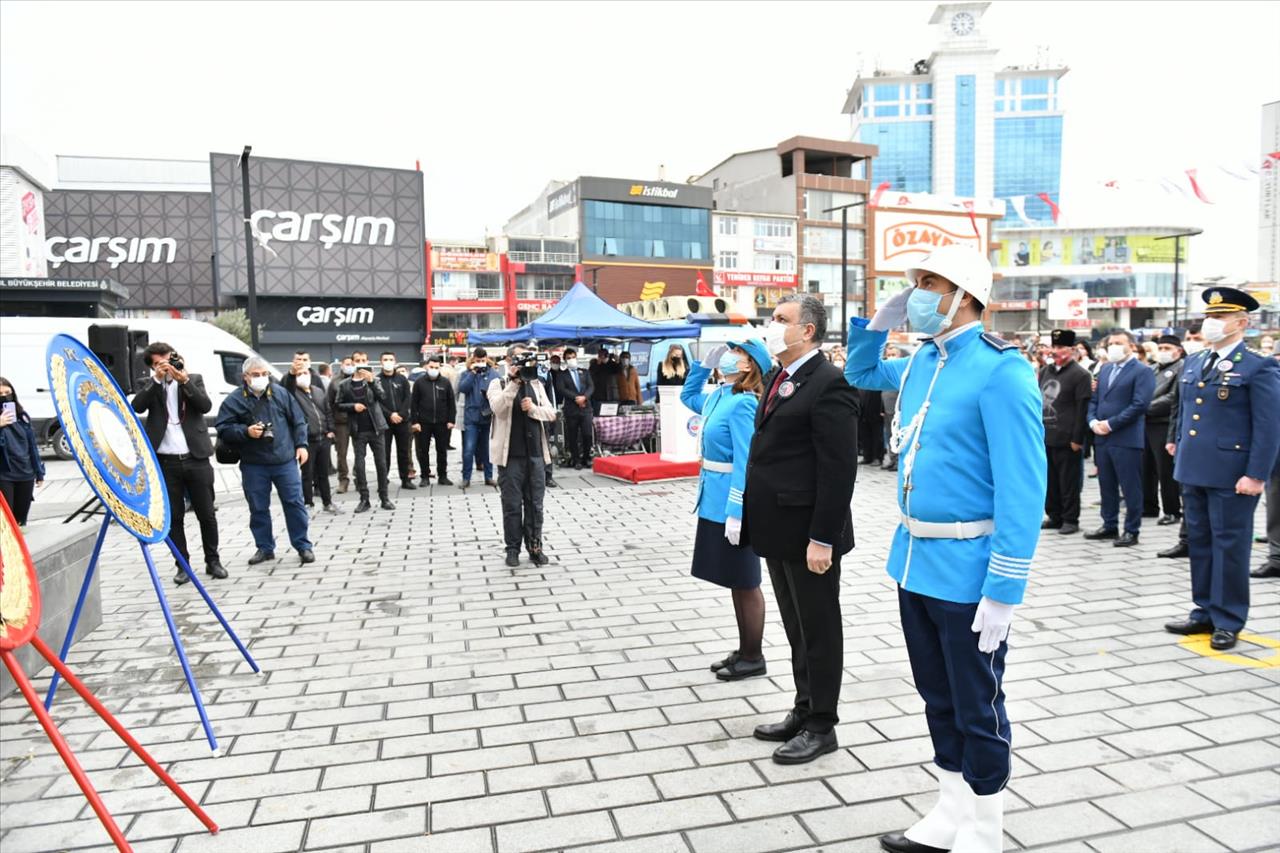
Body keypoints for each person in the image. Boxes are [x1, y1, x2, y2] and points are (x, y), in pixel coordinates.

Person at [845, 244, 1045, 853]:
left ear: (965, 297)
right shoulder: (920, 362)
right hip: (916, 559)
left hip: (969, 568)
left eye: (929, 283)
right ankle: (950, 808)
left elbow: (1022, 489)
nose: (918, 295)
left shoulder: (1001, 370)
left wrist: (1004, 590)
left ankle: (986, 827)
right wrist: (871, 326)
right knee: (936, 694)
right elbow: (858, 373)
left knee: (977, 703)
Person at [742, 293, 859, 766]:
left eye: (780, 319)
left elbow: (838, 470)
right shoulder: (779, 376)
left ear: (807, 330)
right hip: (777, 526)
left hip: (810, 533)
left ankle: (822, 725)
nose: (772, 326)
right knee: (796, 628)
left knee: (819, 628)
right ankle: (802, 708)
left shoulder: (829, 382)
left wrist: (823, 538)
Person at [1164, 287, 1280, 650]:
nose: (1210, 322)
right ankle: (1204, 610)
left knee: (1230, 546)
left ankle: (1228, 618)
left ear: (1242, 322)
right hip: (1194, 467)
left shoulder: (1258, 366)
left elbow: (1268, 426)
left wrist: (1257, 474)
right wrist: (1176, 441)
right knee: (1200, 543)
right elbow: (1183, 410)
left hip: (1234, 474)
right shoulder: (1196, 361)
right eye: (1209, 316)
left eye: (1220, 317)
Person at [681, 338, 771, 682]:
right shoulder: (720, 395)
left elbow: (746, 461)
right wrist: (702, 367)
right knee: (736, 579)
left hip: (732, 503)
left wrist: (738, 509)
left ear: (749, 365)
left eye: (737, 353)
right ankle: (744, 649)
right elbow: (691, 398)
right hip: (712, 499)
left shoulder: (745, 403)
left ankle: (754, 655)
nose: (730, 356)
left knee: (746, 580)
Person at [131, 343, 225, 584]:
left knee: (206, 514)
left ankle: (213, 561)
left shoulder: (192, 378)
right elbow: (137, 407)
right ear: (152, 366)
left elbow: (205, 406)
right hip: (165, 461)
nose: (165, 365)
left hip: (196, 457)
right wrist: (156, 381)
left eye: (168, 359)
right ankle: (182, 565)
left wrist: (183, 381)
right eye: (158, 363)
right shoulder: (148, 385)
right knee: (174, 518)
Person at [214, 357, 314, 565]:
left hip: (284, 459)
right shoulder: (234, 400)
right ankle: (265, 547)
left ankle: (303, 545)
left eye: (264, 374)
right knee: (258, 507)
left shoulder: (280, 393)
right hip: (254, 463)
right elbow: (222, 428)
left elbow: (299, 421)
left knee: (294, 503)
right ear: (245, 377)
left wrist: (302, 445)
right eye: (256, 375)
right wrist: (245, 431)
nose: (261, 378)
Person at [488, 344, 557, 567]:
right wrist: (514, 384)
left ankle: (535, 546)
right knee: (512, 504)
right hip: (510, 458)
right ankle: (512, 549)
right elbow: (497, 408)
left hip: (536, 455)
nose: (522, 364)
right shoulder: (497, 383)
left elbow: (551, 413)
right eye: (517, 359)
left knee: (535, 504)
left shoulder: (537, 384)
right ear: (508, 362)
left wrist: (534, 408)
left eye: (525, 360)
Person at [1085, 330, 1155, 547]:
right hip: (1102, 439)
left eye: (1118, 343)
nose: (1113, 346)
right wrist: (1093, 421)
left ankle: (1131, 530)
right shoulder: (1105, 369)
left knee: (1130, 486)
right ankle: (1109, 524)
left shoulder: (1142, 371)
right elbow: (1095, 400)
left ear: (1131, 346)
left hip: (1126, 438)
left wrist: (1111, 424)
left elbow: (1139, 405)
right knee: (1106, 484)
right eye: (1111, 343)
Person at [1040, 329, 1093, 536]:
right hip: (1046, 436)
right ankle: (1054, 515)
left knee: (1068, 482)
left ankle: (1070, 519)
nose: (1056, 351)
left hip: (1067, 438)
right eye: (1053, 347)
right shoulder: (1046, 372)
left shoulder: (1080, 374)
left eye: (1060, 347)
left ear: (1072, 350)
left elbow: (1082, 409)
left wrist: (1078, 438)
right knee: (1050, 480)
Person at [334, 354, 394, 512]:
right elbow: (338, 404)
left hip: (376, 428)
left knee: (381, 464)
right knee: (359, 466)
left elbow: (382, 397)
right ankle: (364, 499)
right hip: (358, 430)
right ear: (352, 363)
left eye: (363, 361)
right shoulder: (344, 384)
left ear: (368, 362)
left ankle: (384, 498)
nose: (361, 364)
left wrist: (372, 382)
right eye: (357, 361)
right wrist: (353, 406)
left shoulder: (374, 380)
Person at [1143, 334, 1185, 525]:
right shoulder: (1152, 369)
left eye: (1168, 348)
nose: (1163, 352)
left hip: (1164, 424)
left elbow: (1172, 398)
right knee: (1146, 467)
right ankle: (1149, 506)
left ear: (1179, 350)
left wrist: (1142, 407)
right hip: (1145, 423)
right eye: (1161, 348)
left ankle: (1172, 510)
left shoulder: (1181, 368)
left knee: (1165, 471)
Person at [286, 362, 339, 515]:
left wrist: (330, 430)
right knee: (307, 473)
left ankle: (327, 502)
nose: (303, 376)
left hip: (324, 438)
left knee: (324, 473)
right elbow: (287, 386)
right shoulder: (293, 393)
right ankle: (308, 503)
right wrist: (291, 374)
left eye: (306, 373)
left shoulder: (318, 391)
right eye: (299, 374)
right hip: (307, 440)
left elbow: (328, 411)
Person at [0, 377, 45, 527]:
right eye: (0, 394)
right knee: (7, 520)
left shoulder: (22, 416)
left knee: (21, 519)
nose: (5, 396)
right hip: (4, 474)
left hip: (25, 472)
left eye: (8, 392)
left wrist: (38, 472)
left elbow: (32, 446)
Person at [457, 347, 500, 489]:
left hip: (488, 416)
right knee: (469, 449)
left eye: (482, 360)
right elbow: (462, 388)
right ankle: (466, 478)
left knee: (487, 449)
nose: (481, 363)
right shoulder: (467, 373)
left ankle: (489, 477)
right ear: (473, 359)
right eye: (478, 361)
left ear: (486, 359)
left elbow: (499, 391)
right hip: (471, 417)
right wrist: (473, 372)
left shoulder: (493, 373)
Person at [411, 357, 456, 486]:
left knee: (442, 450)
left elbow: (451, 402)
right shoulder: (419, 383)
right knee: (423, 450)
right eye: (431, 367)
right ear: (426, 367)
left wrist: (451, 420)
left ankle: (443, 476)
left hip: (442, 422)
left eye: (436, 368)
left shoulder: (445, 382)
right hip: (423, 422)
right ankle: (425, 476)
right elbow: (413, 403)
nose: (434, 370)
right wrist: (415, 422)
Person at [376, 352, 415, 491]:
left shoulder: (402, 379)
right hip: (385, 422)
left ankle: (405, 479)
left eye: (391, 359)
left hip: (402, 421)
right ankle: (383, 480)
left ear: (395, 361)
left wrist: (401, 414)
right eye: (385, 359)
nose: (388, 362)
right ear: (380, 362)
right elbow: (376, 402)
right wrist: (390, 414)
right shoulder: (376, 380)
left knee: (404, 451)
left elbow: (407, 398)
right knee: (383, 452)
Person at [555, 347, 595, 470]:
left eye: (573, 357)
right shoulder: (562, 375)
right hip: (571, 409)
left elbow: (591, 386)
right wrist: (576, 398)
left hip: (586, 408)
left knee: (587, 434)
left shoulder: (584, 371)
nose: (571, 360)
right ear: (565, 360)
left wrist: (584, 397)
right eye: (568, 358)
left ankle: (587, 458)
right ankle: (576, 459)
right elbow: (562, 389)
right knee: (572, 435)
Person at [329, 356, 356, 493]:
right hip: (341, 422)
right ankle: (343, 480)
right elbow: (329, 404)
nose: (350, 366)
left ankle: (359, 477)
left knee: (360, 452)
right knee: (342, 453)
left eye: (352, 363)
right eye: (347, 364)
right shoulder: (334, 382)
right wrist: (331, 425)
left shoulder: (359, 379)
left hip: (358, 420)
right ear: (341, 365)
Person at [880, 345, 901, 472]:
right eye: (889, 355)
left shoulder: (901, 371)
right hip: (887, 410)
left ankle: (898, 461)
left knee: (897, 436)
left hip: (897, 412)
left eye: (894, 354)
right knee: (888, 436)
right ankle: (892, 459)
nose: (891, 357)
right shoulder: (885, 371)